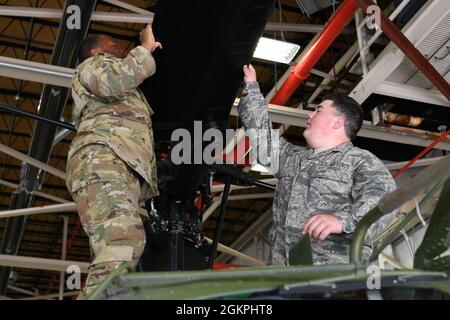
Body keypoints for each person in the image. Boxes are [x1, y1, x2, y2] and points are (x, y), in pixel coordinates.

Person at [237, 64, 396, 265]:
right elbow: (261, 136)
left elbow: (386, 199)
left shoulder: (359, 160)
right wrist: (251, 87)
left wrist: (342, 220)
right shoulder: (293, 159)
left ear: (337, 123)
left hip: (333, 273)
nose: (310, 115)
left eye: (318, 110)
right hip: (283, 274)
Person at [66, 25, 162, 296]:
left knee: (118, 248)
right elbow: (113, 81)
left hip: (114, 163)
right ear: (96, 51)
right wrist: (143, 49)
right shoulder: (92, 66)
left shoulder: (122, 81)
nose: (121, 50)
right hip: (101, 158)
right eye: (114, 46)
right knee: (123, 240)